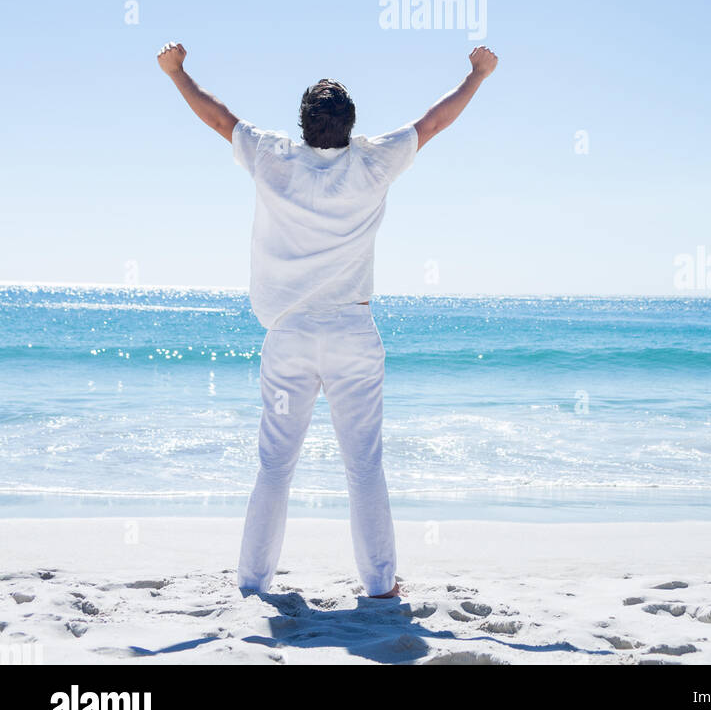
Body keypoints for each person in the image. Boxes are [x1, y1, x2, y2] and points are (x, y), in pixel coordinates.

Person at [156, 41, 499, 598]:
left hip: (288, 336)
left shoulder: (273, 157)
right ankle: (380, 586)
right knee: (363, 466)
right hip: (352, 336)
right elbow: (434, 123)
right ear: (350, 125)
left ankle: (252, 583)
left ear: (303, 125)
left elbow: (218, 118)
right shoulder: (372, 160)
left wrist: (178, 72)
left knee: (275, 466)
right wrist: (478, 75)